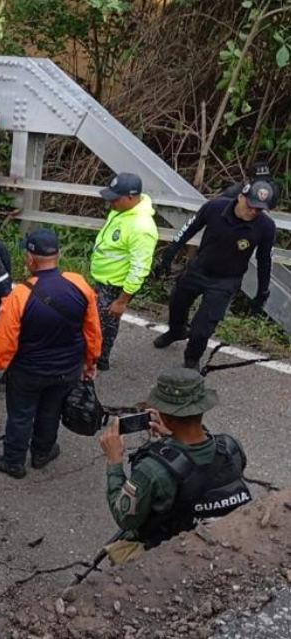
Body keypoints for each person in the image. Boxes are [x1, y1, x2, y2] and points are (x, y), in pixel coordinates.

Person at [0, 228, 102, 479]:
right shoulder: (79, 284)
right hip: (66, 369)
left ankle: (14, 460)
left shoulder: (20, 295)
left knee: (20, 414)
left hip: (28, 371)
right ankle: (42, 453)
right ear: (58, 254)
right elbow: (92, 330)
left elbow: (4, 339)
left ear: (30, 258)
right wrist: (91, 361)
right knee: (51, 410)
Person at [99, 368, 250, 564]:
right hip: (221, 539)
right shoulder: (230, 446)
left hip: (172, 551)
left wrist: (114, 461)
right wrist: (172, 437)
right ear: (201, 409)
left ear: (166, 417)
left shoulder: (152, 470)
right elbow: (205, 461)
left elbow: (125, 518)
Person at [152, 180, 276, 370]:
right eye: (251, 206)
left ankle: (192, 358)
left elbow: (265, 261)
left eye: (259, 210)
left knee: (202, 329)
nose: (253, 212)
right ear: (241, 197)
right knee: (177, 304)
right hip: (199, 269)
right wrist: (169, 254)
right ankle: (176, 332)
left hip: (226, 281)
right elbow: (189, 229)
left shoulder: (265, 226)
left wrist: (262, 292)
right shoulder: (215, 207)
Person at [90, 173, 158, 371]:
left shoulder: (142, 227)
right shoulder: (121, 210)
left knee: (105, 326)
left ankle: (99, 360)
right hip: (103, 279)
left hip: (116, 286)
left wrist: (122, 301)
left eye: (115, 198)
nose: (110, 202)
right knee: (96, 320)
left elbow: (140, 268)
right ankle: (94, 357)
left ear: (131, 197)